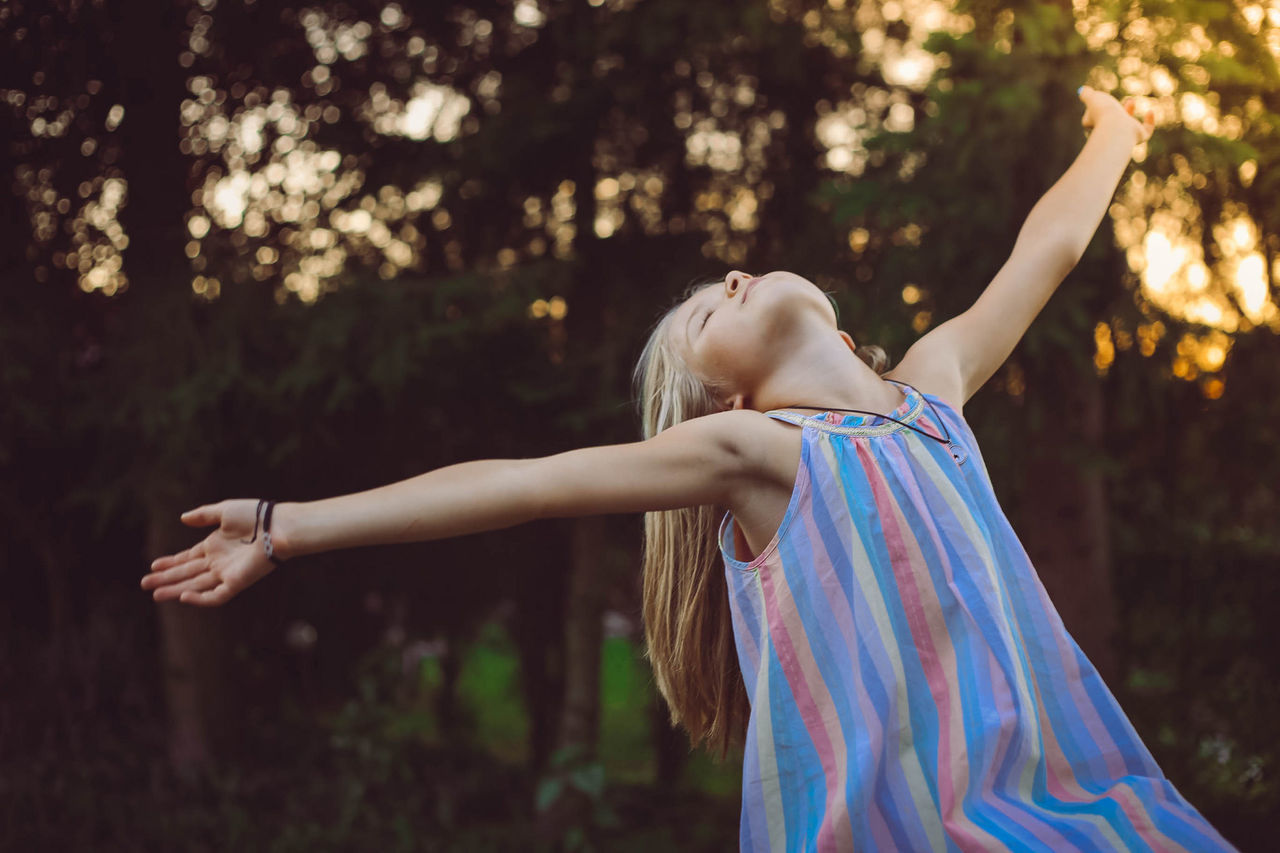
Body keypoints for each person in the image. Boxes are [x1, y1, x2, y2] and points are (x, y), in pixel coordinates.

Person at [143, 85, 1238, 851]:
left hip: (1073, 807)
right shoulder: (757, 453)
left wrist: (1114, 134)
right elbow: (516, 482)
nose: (726, 273)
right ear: (725, 395)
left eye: (718, 282)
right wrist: (286, 524)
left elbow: (1041, 249)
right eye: (698, 316)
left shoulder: (931, 397)